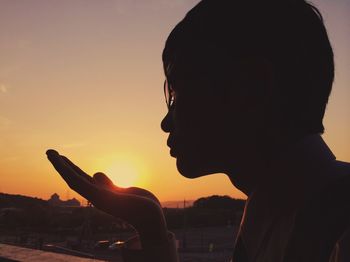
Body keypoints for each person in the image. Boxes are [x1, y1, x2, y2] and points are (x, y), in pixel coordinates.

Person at [46, 0, 350, 261]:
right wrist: (150, 227)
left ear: (252, 87)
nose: (166, 122)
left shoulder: (337, 230)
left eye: (176, 95)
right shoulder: (272, 210)